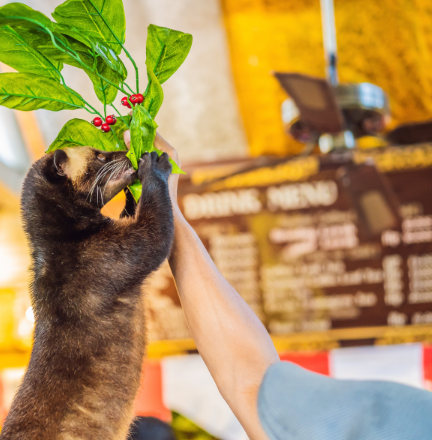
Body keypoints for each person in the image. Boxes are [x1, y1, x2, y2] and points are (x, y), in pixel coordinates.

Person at [124, 131, 432, 440]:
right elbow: (250, 383)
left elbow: (250, 383)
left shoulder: (408, 417)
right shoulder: (411, 418)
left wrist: (168, 211)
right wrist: (166, 210)